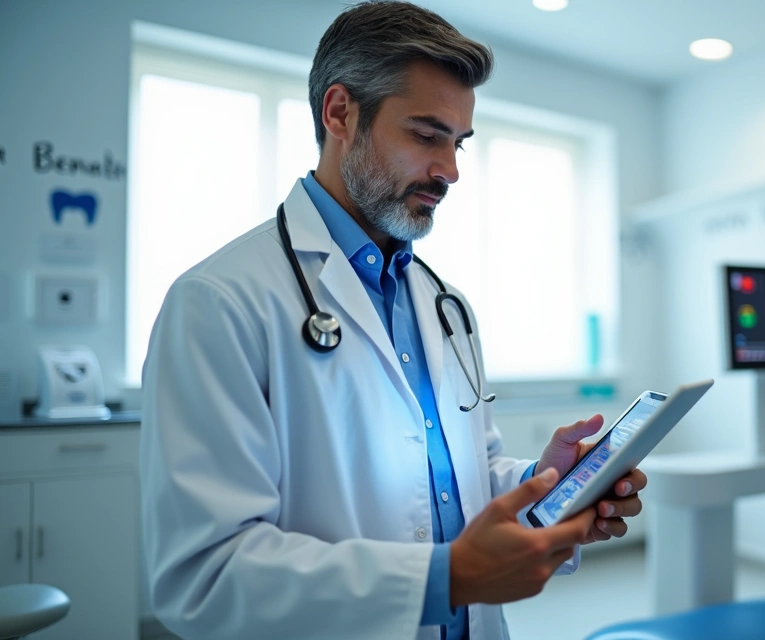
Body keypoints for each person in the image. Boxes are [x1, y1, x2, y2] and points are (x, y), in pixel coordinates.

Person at [139, 3, 646, 638]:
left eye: (458, 143)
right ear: (339, 113)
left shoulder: (444, 304)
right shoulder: (219, 301)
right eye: (426, 134)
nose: (451, 171)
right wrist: (446, 580)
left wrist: (544, 487)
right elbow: (205, 579)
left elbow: (459, 481)